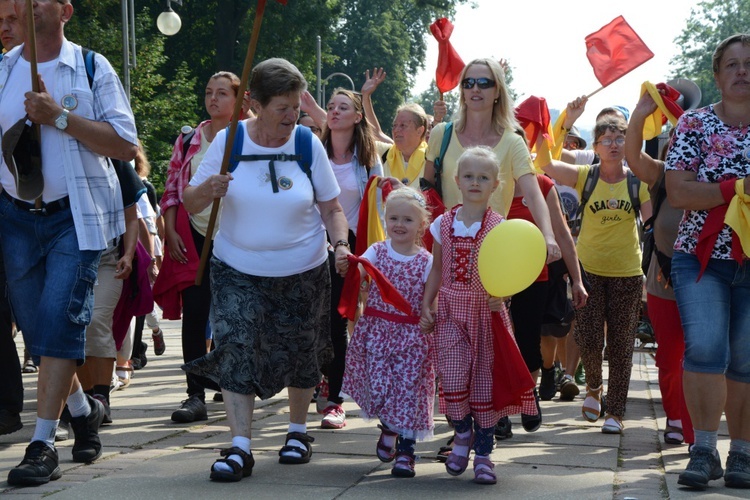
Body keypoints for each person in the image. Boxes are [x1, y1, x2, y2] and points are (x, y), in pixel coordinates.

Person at [181, 57, 351, 482]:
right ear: (255, 104)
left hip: (305, 267)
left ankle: (297, 432)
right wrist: (209, 188)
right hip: (237, 266)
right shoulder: (229, 141)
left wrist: (341, 243)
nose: (292, 116)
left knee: (301, 349)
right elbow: (190, 201)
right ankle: (240, 446)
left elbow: (332, 207)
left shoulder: (308, 144)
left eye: (296, 106)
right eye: (282, 108)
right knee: (237, 346)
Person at [0, 0, 137, 486]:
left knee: (59, 323)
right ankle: (82, 410)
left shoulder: (92, 67)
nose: (27, 5)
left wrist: (58, 117)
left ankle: (42, 443)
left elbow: (126, 144)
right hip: (15, 219)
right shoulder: (4, 69)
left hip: (73, 221)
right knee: (41, 334)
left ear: (65, 11)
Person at [421, 146, 538, 485]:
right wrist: (426, 304)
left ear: (496, 185)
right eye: (469, 176)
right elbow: (437, 268)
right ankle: (461, 433)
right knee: (454, 378)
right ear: (457, 181)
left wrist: (502, 296)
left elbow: (509, 272)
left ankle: (484, 454)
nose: (475, 182)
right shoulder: (444, 223)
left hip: (486, 316)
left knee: (484, 385)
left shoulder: (499, 227)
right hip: (451, 312)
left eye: (483, 177)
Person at [665, 34, 750, 490]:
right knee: (706, 349)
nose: (742, 71)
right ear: (717, 76)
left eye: (749, 64)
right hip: (701, 259)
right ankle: (703, 450)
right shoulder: (695, 124)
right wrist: (736, 188)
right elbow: (677, 191)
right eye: (732, 65)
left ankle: (742, 454)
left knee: (747, 359)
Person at [539, 116, 652, 435]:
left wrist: (656, 266)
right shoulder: (585, 176)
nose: (614, 145)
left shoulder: (637, 181)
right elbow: (545, 162)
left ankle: (615, 411)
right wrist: (565, 122)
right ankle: (593, 388)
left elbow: (653, 223)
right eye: (607, 139)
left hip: (628, 273)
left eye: (621, 139)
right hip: (588, 272)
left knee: (621, 345)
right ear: (597, 146)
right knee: (588, 338)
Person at [156, 71, 242, 423]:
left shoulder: (249, 136)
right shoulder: (190, 137)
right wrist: (169, 230)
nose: (213, 98)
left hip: (238, 236)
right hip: (193, 234)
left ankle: (231, 381)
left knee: (234, 315)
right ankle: (194, 393)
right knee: (195, 311)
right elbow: (174, 184)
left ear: (239, 99)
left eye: (222, 93)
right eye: (209, 92)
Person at [342, 187, 435, 478]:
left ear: (422, 225)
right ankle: (389, 429)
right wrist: (349, 266)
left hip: (411, 337)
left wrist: (429, 316)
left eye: (407, 220)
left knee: (407, 392)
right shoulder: (377, 251)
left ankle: (406, 453)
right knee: (381, 389)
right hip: (378, 334)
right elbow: (359, 270)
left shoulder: (426, 260)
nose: (399, 224)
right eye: (393, 217)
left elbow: (431, 297)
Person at [625, 91, 693, 448]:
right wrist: (640, 114)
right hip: (663, 282)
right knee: (670, 357)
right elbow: (632, 156)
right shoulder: (663, 176)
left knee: (706, 355)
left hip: (712, 279)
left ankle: (700, 428)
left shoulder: (723, 174)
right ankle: (676, 419)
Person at [315, 88, 382, 429]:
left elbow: (380, 210)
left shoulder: (368, 159)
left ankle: (335, 401)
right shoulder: (314, 153)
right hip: (310, 243)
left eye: (343, 107)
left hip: (349, 247)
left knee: (336, 320)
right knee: (312, 321)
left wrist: (373, 257)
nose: (334, 112)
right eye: (330, 107)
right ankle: (320, 377)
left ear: (357, 117)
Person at [0, 0, 24, 438]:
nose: (4, 28)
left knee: (41, 318)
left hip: (45, 212)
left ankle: (78, 404)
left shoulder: (72, 72)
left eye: (13, 20)